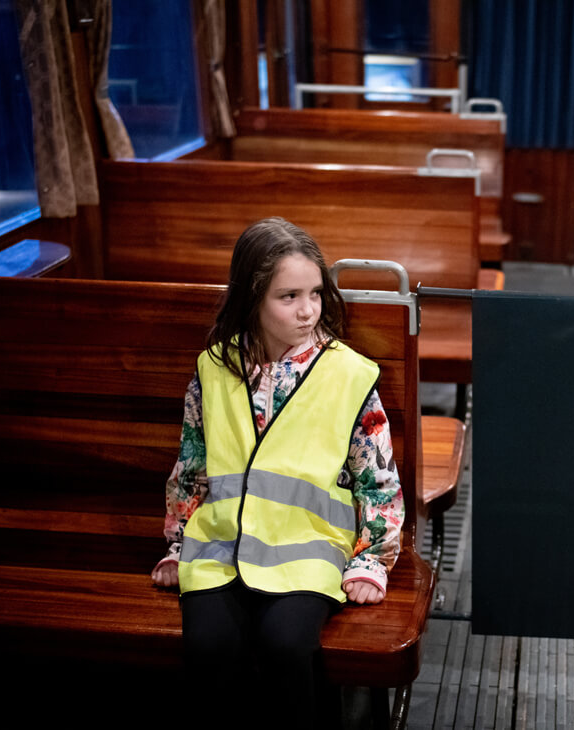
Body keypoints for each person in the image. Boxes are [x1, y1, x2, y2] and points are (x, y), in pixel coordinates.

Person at [149, 217, 404, 728]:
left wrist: (371, 562)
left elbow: (378, 480)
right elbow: (192, 466)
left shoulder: (348, 375)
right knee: (209, 645)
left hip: (308, 552)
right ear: (252, 299)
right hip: (220, 548)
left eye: (314, 293)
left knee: (286, 645)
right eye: (288, 296)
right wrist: (179, 546)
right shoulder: (214, 370)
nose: (308, 309)